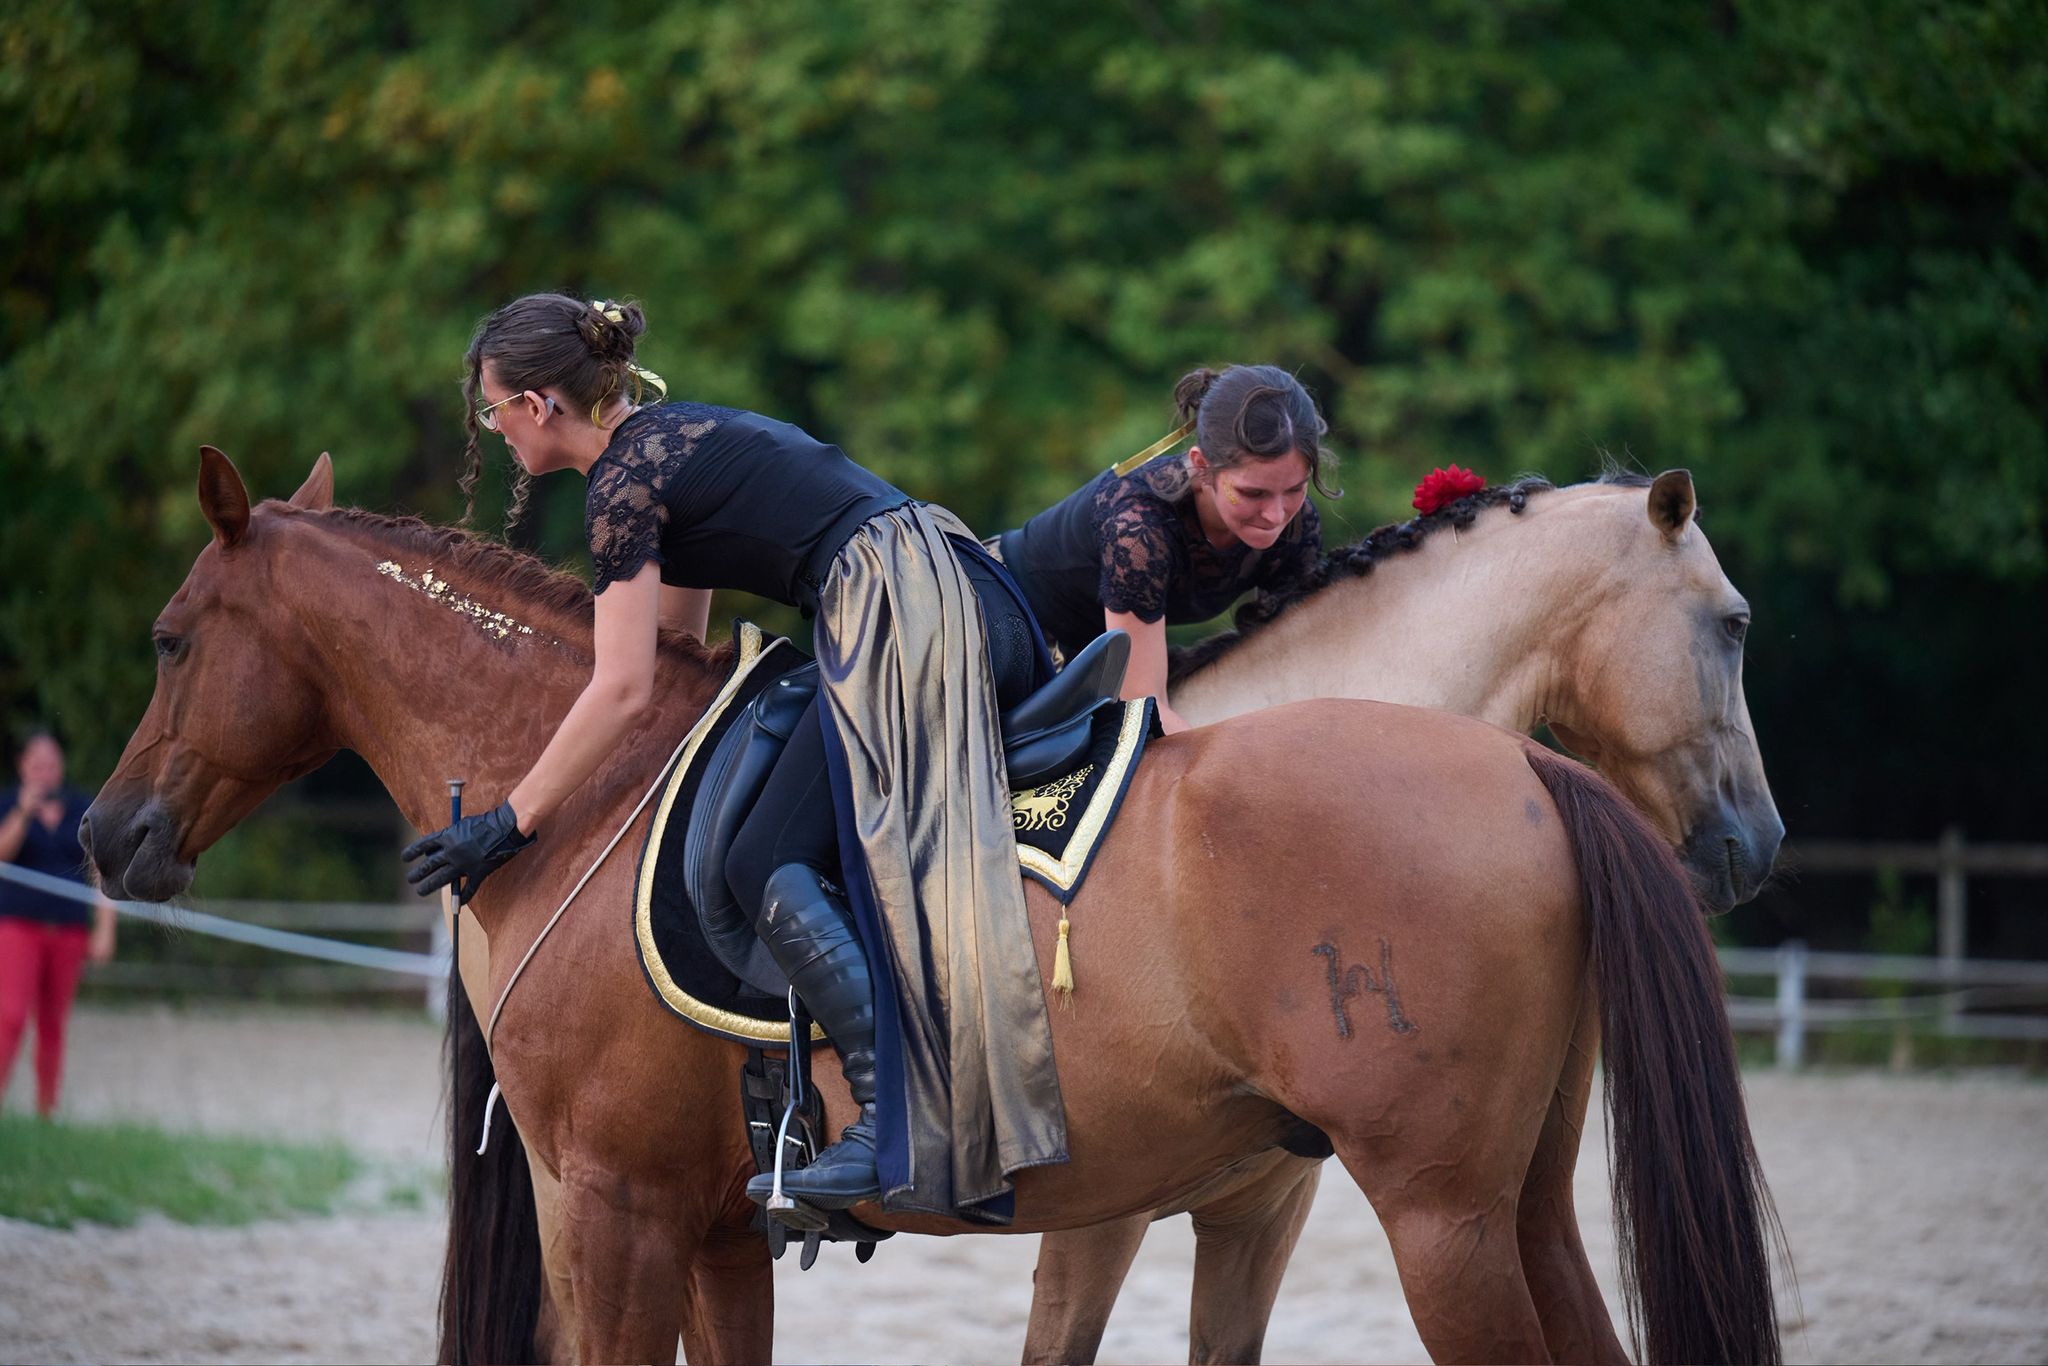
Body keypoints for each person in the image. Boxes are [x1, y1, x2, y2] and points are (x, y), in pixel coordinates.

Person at [402, 294, 1063, 1221]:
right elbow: (677, 652)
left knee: (761, 859)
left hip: (902, 616)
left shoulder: (621, 486)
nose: (496, 429)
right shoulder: (665, 442)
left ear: (541, 405)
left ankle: (894, 1118)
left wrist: (508, 823)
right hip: (958, 588)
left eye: (494, 409)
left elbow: (624, 686)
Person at [994, 365, 1337, 733]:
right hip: (1003, 624)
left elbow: (1298, 658)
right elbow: (1144, 711)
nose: (1276, 514)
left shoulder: (1297, 529)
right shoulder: (1139, 528)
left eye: (1295, 490)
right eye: (1253, 493)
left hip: (1099, 652)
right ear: (1201, 466)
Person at [0, 732, 116, 1116]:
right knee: (10, 1016)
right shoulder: (7, 804)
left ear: (60, 768)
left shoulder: (81, 809)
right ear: (23, 766)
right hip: (19, 927)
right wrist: (22, 812)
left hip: (68, 930)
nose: (44, 771)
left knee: (54, 1023)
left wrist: (105, 927)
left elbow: (100, 872)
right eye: (36, 764)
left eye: (50, 764)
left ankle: (46, 1110)